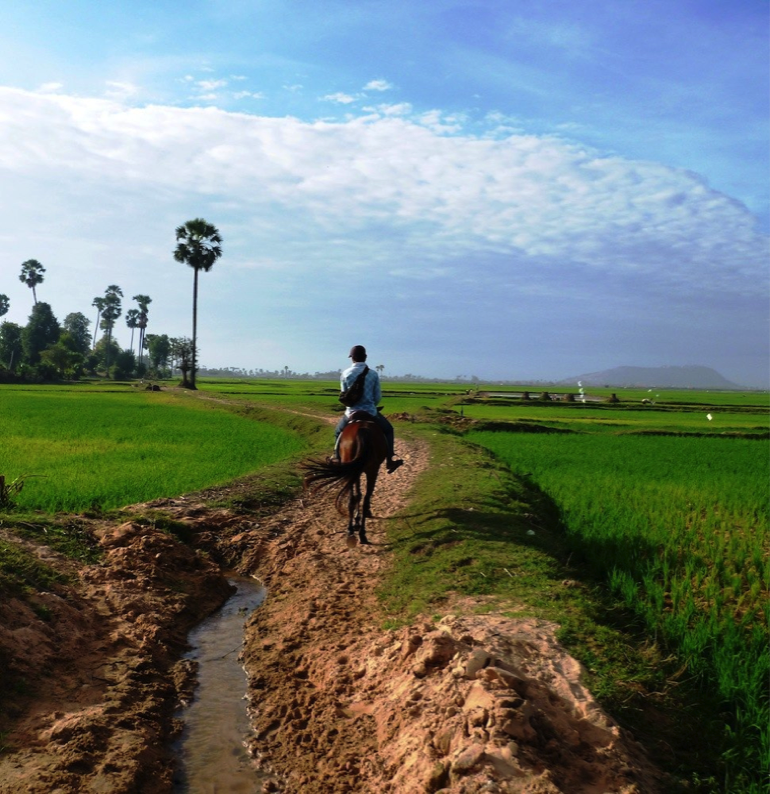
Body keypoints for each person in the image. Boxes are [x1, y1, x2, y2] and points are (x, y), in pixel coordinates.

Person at [333, 345, 403, 473]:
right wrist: (370, 405)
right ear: (365, 357)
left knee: (338, 432)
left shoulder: (345, 374)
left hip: (351, 413)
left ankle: (336, 457)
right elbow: (377, 396)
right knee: (388, 430)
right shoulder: (373, 374)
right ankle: (390, 460)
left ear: (352, 358)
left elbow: (344, 397)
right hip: (370, 412)